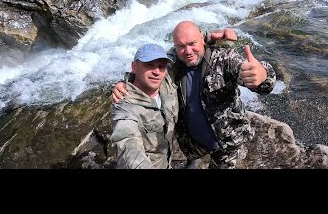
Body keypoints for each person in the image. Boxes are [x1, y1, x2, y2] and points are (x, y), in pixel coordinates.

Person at [112, 21, 276, 169]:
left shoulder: (225, 59)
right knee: (192, 161)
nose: (188, 51)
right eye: (181, 46)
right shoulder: (174, 63)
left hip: (227, 141)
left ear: (202, 40)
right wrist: (126, 82)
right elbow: (147, 71)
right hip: (192, 143)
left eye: (193, 44)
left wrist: (262, 76)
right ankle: (194, 161)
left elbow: (256, 78)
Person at [110, 43, 178, 169]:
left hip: (169, 159)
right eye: (149, 65)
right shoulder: (124, 105)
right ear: (134, 67)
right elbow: (128, 144)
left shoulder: (166, 80)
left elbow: (182, 44)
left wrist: (210, 36)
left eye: (161, 66)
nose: (157, 72)